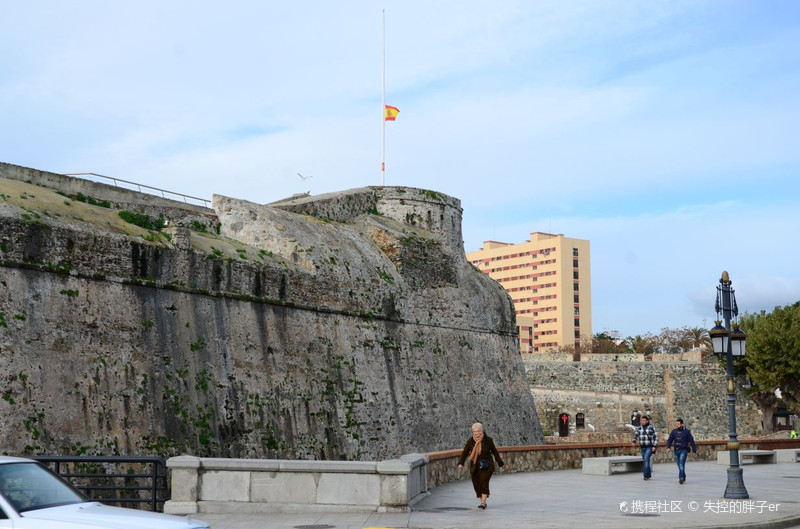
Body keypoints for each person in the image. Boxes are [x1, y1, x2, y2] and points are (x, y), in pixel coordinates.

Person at [457, 422, 504, 509]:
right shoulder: (470, 441)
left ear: (481, 431)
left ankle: (483, 502)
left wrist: (499, 461)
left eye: (478, 431)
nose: (476, 433)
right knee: (477, 484)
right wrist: (461, 463)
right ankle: (481, 501)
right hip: (475, 466)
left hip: (487, 465)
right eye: (474, 431)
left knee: (484, 482)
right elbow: (465, 452)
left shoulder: (488, 440)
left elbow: (494, 451)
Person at [666, 418, 697, 484]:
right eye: (676, 424)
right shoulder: (674, 431)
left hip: (683, 450)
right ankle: (683, 476)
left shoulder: (687, 432)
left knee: (681, 464)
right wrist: (668, 447)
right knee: (679, 465)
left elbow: (692, 441)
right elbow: (669, 440)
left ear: (682, 424)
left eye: (678, 424)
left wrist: (694, 451)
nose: (677, 425)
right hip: (676, 450)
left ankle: (681, 478)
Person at [632, 415, 658, 480]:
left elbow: (656, 437)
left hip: (649, 447)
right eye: (642, 420)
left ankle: (645, 475)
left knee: (646, 459)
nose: (642, 421)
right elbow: (635, 435)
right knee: (646, 461)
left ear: (647, 421)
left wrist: (654, 446)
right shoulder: (639, 428)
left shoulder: (651, 427)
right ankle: (648, 475)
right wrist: (634, 441)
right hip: (642, 447)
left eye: (644, 420)